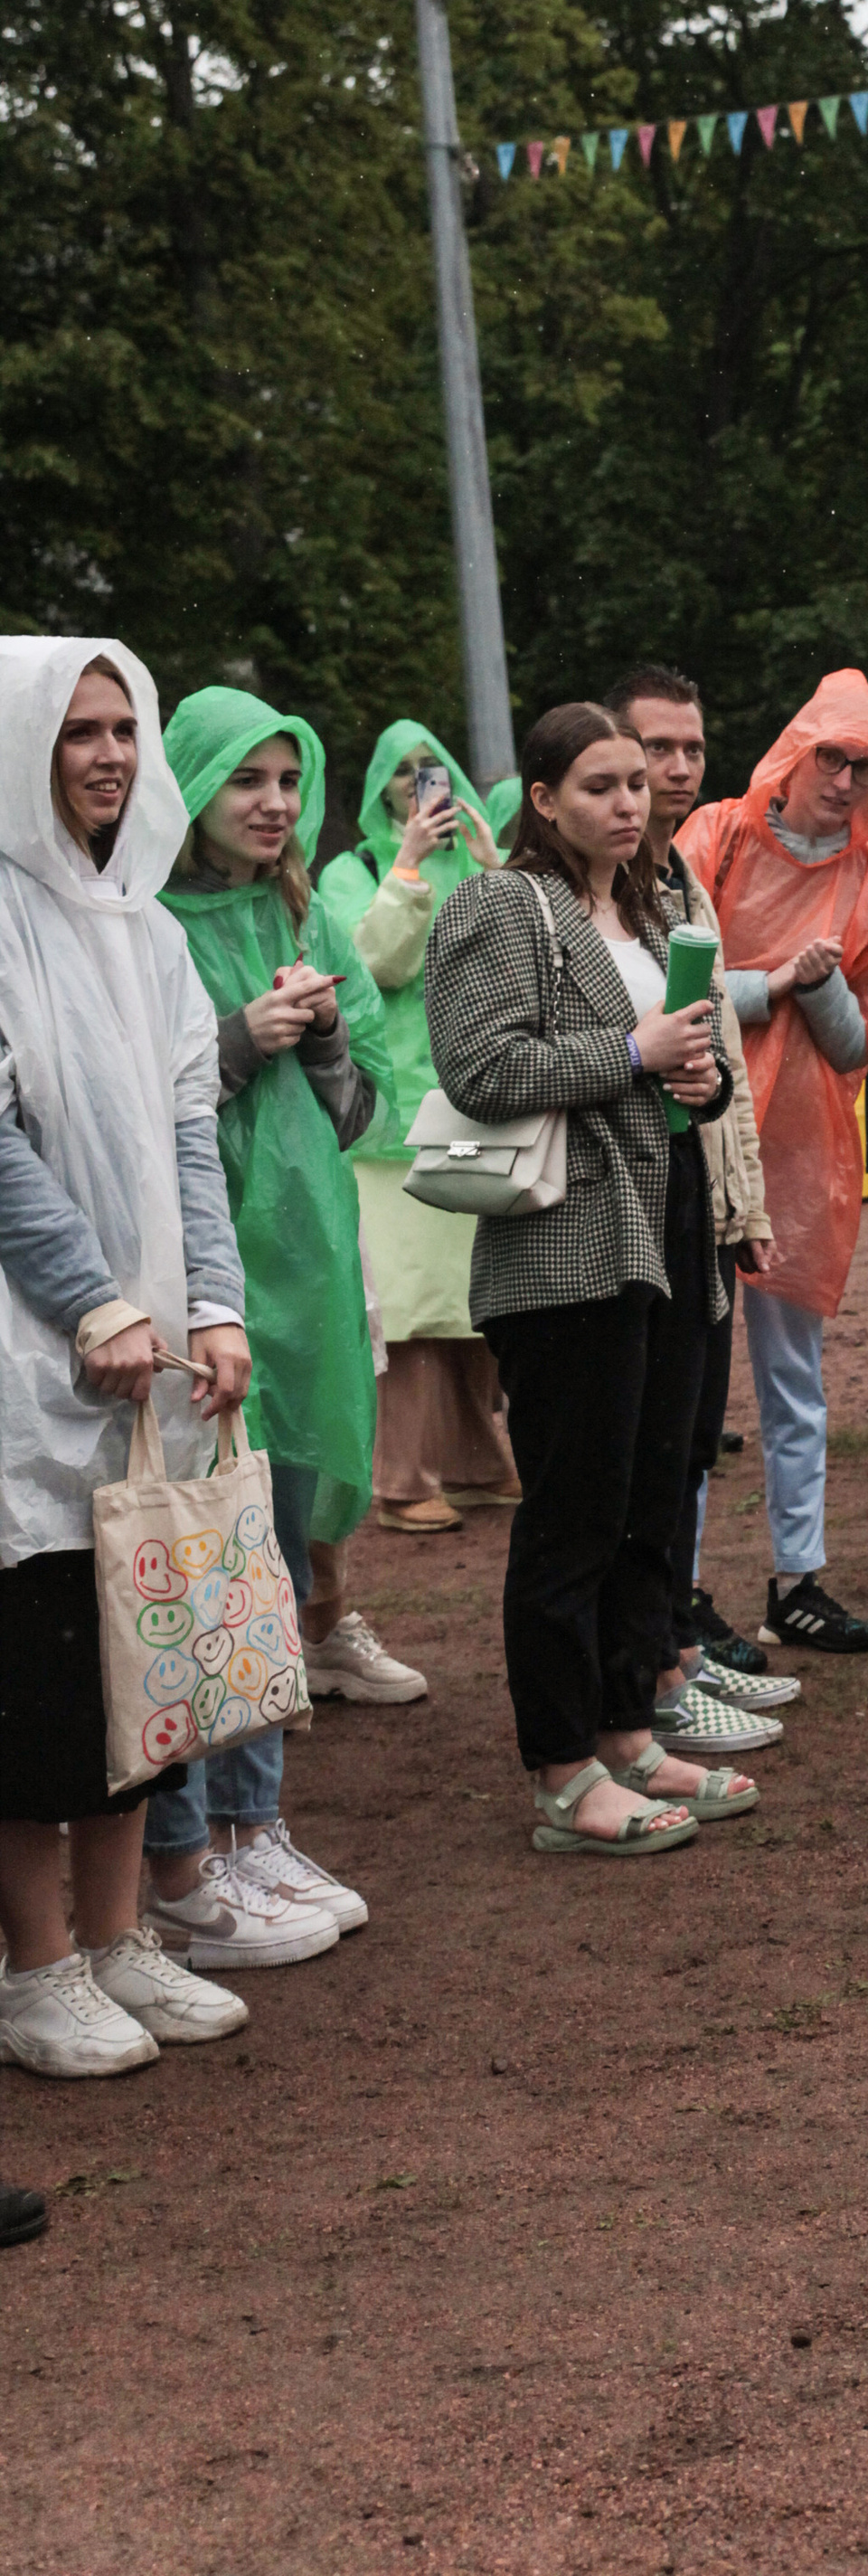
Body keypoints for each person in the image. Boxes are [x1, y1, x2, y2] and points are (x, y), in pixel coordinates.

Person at [425, 705, 756, 1854]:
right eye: (601, 785)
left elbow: (680, 1072)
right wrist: (632, 1054)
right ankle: (562, 1774)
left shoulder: (656, 907)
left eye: (637, 784)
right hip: (563, 1247)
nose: (630, 801)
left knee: (648, 1500)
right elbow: (476, 1067)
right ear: (545, 800)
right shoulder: (500, 904)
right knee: (571, 1516)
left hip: (666, 1228)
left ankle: (626, 1733)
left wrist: (695, 1076)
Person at [0, 639, 256, 2077]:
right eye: (77, 730)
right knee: (33, 1667)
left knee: (130, 1660)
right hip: (29, 1362)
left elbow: (185, 1133)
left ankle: (114, 1943)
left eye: (124, 730)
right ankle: (32, 1967)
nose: (107, 755)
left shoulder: (148, 928)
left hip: (146, 1344)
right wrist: (91, 1301)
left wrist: (208, 1305)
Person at [140, 691, 393, 1969]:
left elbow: (351, 1116)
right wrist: (238, 1043)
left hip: (309, 1287)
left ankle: (258, 1825)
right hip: (214, 1289)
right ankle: (194, 1854)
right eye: (247, 779)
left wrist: (333, 1036)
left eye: (291, 779)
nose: (276, 803)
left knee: (274, 1564)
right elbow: (150, 1115)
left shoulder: (300, 910)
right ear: (187, 789)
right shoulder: (148, 927)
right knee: (206, 1572)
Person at [681, 674, 868, 1659]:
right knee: (688, 1384)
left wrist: (816, 991)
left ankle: (799, 1579)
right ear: (797, 752)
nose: (849, 779)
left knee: (792, 1378)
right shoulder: (716, 840)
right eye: (836, 758)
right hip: (693, 1129)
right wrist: (780, 980)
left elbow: (858, 1040)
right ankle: (677, 1590)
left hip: (800, 1145)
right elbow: (665, 985)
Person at [603, 665, 800, 1731]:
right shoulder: (583, 884)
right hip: (625, 1205)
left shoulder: (679, 870)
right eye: (650, 753)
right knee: (638, 1454)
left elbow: (715, 1041)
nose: (670, 772)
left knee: (686, 1441)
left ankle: (674, 1640)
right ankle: (650, 1680)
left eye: (687, 750)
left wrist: (743, 1203)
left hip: (701, 1193)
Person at [315, 723, 520, 1538]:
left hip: (474, 1105)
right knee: (404, 1309)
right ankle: (399, 1477)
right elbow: (371, 965)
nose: (416, 784)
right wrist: (404, 866)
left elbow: (521, 958)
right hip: (389, 1125)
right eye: (399, 774)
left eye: (428, 769)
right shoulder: (352, 870)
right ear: (377, 789)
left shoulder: (478, 856)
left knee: (473, 1302)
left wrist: (493, 867)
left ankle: (476, 1462)